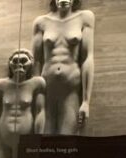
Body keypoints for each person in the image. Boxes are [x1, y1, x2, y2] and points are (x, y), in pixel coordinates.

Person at [32, 0, 95, 134]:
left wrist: (86, 101)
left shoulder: (85, 18)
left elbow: (87, 58)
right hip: (47, 89)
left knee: (66, 141)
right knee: (44, 140)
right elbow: (36, 61)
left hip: (70, 89)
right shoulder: (41, 22)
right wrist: (36, 96)